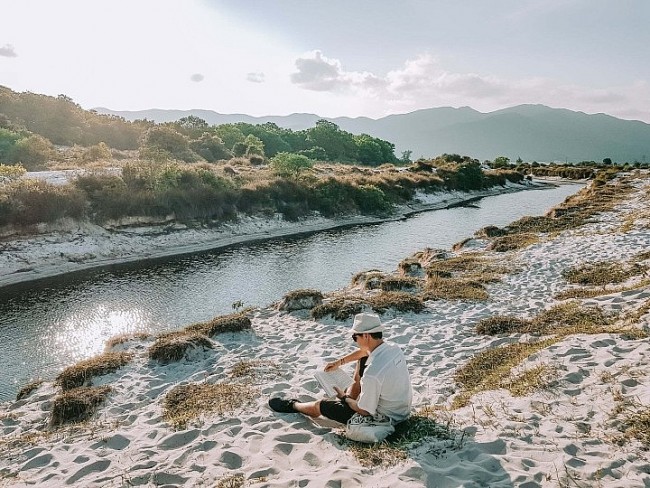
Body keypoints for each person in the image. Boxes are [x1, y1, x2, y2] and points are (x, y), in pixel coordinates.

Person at [268, 313, 412, 426]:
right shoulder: (394, 350)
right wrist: (339, 362)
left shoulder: (372, 374)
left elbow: (365, 411)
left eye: (355, 337)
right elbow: (364, 353)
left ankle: (293, 405)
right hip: (402, 410)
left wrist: (343, 397)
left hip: (385, 418)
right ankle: (348, 399)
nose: (354, 340)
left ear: (366, 336)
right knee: (362, 360)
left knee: (322, 405)